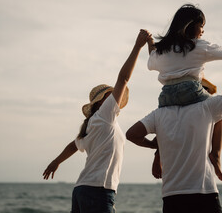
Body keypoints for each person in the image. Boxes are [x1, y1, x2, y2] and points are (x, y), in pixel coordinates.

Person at [126, 43, 222, 213]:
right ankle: (216, 155)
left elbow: (132, 134)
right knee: (221, 117)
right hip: (203, 192)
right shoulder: (207, 107)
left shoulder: (159, 114)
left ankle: (216, 155)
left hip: (172, 195)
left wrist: (156, 147)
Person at [146, 4, 222, 180]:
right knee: (219, 114)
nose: (202, 31)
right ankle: (216, 155)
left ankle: (158, 155)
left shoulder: (161, 51)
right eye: (201, 26)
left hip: (166, 96)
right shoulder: (197, 46)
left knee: (166, 122)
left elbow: (151, 59)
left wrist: (150, 43)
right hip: (190, 90)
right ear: (191, 25)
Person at [42, 29, 151, 213]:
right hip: (97, 191)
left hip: (82, 190)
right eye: (110, 96)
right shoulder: (104, 115)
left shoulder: (94, 123)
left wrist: (56, 161)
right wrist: (137, 47)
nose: (115, 97)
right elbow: (123, 79)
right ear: (101, 102)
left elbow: (74, 145)